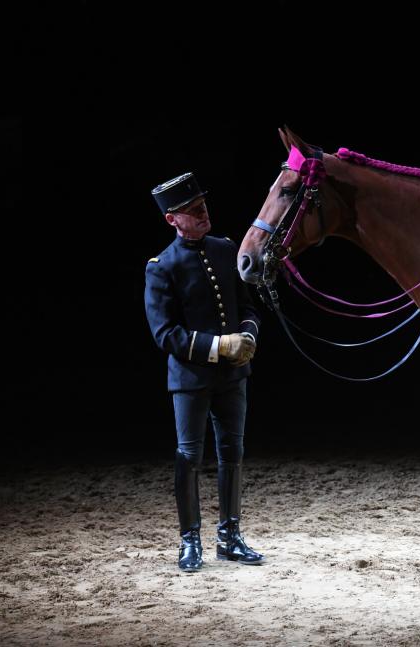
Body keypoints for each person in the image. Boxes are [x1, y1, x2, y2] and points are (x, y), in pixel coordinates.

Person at [144, 172, 265, 572]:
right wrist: (218, 347)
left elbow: (246, 307)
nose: (202, 213)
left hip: (232, 377)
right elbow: (165, 333)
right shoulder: (162, 267)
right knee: (189, 456)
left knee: (233, 453)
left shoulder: (225, 249)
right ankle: (189, 540)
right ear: (172, 220)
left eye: (203, 206)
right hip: (191, 380)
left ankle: (230, 537)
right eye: (192, 211)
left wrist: (247, 336)